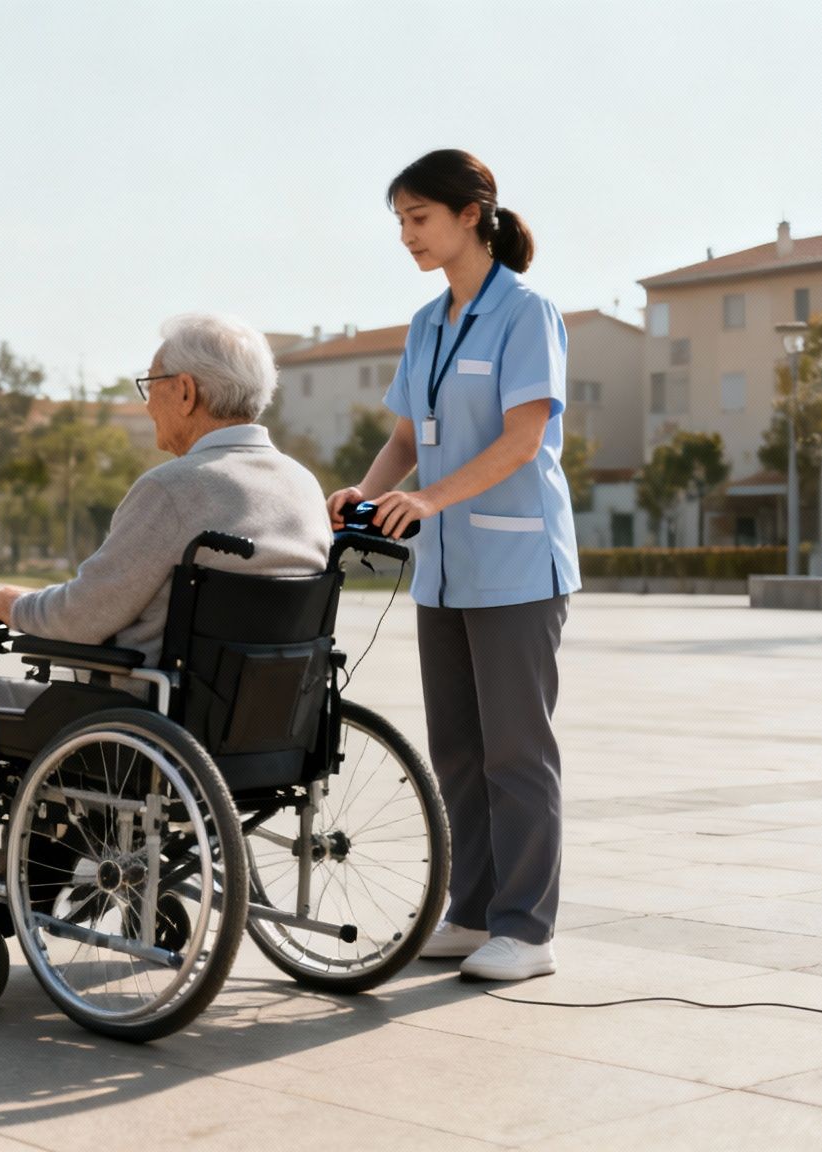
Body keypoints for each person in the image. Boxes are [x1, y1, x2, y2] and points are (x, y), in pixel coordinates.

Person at [0, 313, 332, 935]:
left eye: (151, 382)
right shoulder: (302, 485)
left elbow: (83, 616)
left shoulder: (176, 489)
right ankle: (33, 871)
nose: (148, 399)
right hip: (271, 732)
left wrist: (13, 605)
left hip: (148, 728)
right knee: (71, 709)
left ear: (186, 391)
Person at [327, 149, 578, 982]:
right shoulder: (428, 324)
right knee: (460, 754)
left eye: (419, 218)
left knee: (517, 753)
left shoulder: (525, 312)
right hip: (445, 573)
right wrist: (362, 496)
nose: (407, 236)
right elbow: (406, 438)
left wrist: (429, 503)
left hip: (515, 565)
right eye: (399, 221)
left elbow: (524, 438)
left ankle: (528, 929)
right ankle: (471, 913)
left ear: (472, 214)